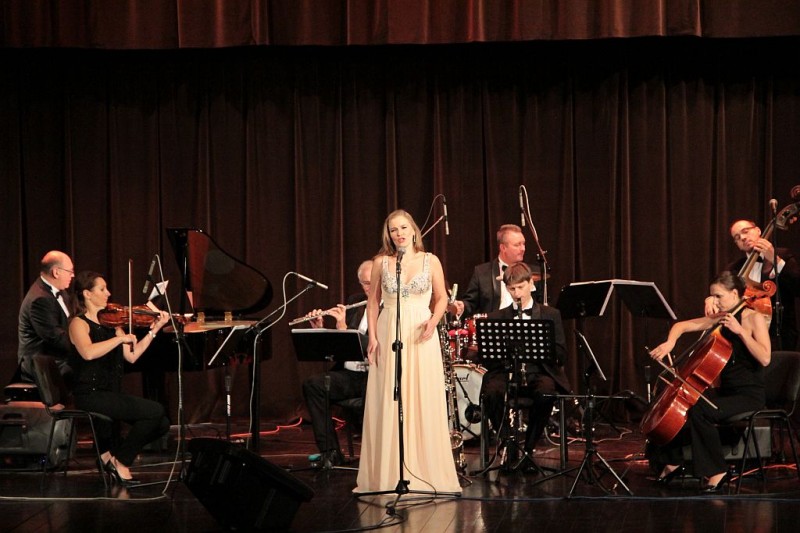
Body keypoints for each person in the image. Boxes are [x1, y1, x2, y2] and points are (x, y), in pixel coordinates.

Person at [354, 209, 460, 494]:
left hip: (420, 333)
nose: (398, 234)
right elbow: (373, 303)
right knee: (390, 398)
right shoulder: (381, 262)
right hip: (389, 330)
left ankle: (424, 471)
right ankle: (387, 474)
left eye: (403, 228)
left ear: (413, 230)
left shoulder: (430, 260)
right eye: (393, 230)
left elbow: (442, 297)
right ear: (388, 235)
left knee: (421, 397)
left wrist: (434, 321)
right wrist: (373, 337)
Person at [650, 271, 771, 492]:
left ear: (735, 294)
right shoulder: (722, 317)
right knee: (685, 402)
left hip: (749, 395)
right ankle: (673, 461)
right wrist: (670, 343)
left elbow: (765, 357)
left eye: (718, 296)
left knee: (700, 410)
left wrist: (741, 332)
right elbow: (682, 326)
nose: (714, 301)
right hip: (727, 391)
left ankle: (717, 470)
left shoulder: (753, 318)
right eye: (712, 296)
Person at [68, 270, 172, 485]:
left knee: (162, 424)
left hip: (110, 392)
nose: (108, 293)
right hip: (90, 394)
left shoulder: (112, 323)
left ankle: (111, 457)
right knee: (155, 410)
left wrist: (154, 330)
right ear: (87, 294)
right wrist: (118, 340)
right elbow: (88, 353)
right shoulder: (79, 323)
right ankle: (121, 462)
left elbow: (132, 356)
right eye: (102, 289)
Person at [479, 262, 571, 459]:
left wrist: (543, 347)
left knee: (546, 392)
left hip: (538, 371)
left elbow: (561, 353)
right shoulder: (497, 317)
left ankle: (529, 448)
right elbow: (488, 358)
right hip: (507, 372)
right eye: (512, 289)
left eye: (521, 287)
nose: (517, 293)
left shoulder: (550, 314)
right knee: (492, 392)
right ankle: (507, 442)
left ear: (531, 284)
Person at [301, 260, 372, 467]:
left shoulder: (391, 307)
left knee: (372, 394)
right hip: (350, 375)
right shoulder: (356, 301)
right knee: (313, 385)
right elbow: (340, 349)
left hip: (374, 376)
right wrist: (320, 329)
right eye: (365, 283)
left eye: (373, 282)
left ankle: (374, 459)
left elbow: (377, 345)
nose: (369, 288)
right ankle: (330, 452)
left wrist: (344, 329)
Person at [705, 219, 800, 351]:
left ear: (758, 231)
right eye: (737, 237)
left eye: (745, 231)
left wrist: (776, 260)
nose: (743, 237)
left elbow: (797, 287)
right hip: (742, 340)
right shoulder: (734, 268)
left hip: (779, 337)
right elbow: (721, 290)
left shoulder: (783, 256)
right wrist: (711, 298)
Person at [17, 250, 76, 384]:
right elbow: (57, 339)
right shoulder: (40, 299)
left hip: (57, 357)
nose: (72, 275)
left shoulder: (60, 292)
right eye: (70, 271)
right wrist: (87, 345)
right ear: (56, 272)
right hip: (41, 363)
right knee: (89, 371)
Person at [449, 224, 528, 319]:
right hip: (493, 324)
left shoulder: (531, 273)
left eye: (523, 244)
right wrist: (462, 307)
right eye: (517, 245)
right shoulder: (482, 272)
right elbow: (470, 303)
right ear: (503, 248)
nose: (523, 248)